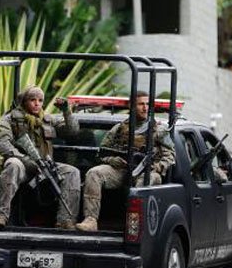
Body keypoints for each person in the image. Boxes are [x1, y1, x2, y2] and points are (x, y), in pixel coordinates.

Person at [75, 91, 175, 232]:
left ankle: (133, 227)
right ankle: (91, 220)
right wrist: (112, 160)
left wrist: (156, 167)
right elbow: (101, 153)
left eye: (147, 104)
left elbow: (170, 156)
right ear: (132, 106)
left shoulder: (159, 130)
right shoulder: (119, 128)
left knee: (142, 183)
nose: (145, 108)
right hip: (122, 169)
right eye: (141, 104)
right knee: (94, 173)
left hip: (148, 172)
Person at [0, 85, 81, 230]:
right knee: (12, 164)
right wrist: (26, 160)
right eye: (32, 99)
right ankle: (0, 215)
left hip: (45, 165)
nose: (37, 103)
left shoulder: (47, 120)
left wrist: (66, 111)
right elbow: (3, 146)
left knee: (72, 172)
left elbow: (72, 131)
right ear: (24, 101)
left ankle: (65, 220)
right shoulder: (9, 119)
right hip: (22, 165)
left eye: (40, 100)